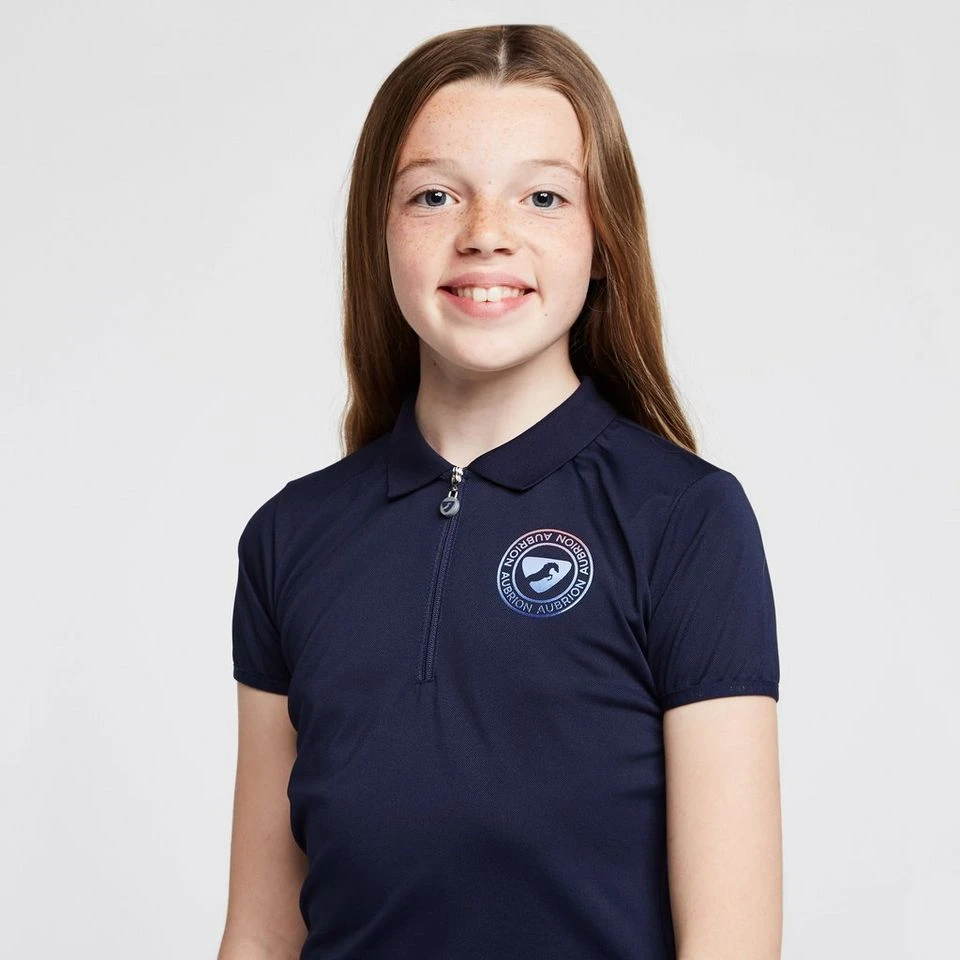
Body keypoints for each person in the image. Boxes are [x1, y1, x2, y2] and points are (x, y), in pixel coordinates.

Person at [218, 23, 782, 960]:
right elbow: (262, 933)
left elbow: (732, 941)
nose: (486, 233)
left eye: (544, 196)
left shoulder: (684, 520)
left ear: (602, 241)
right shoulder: (291, 536)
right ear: (379, 233)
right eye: (434, 195)